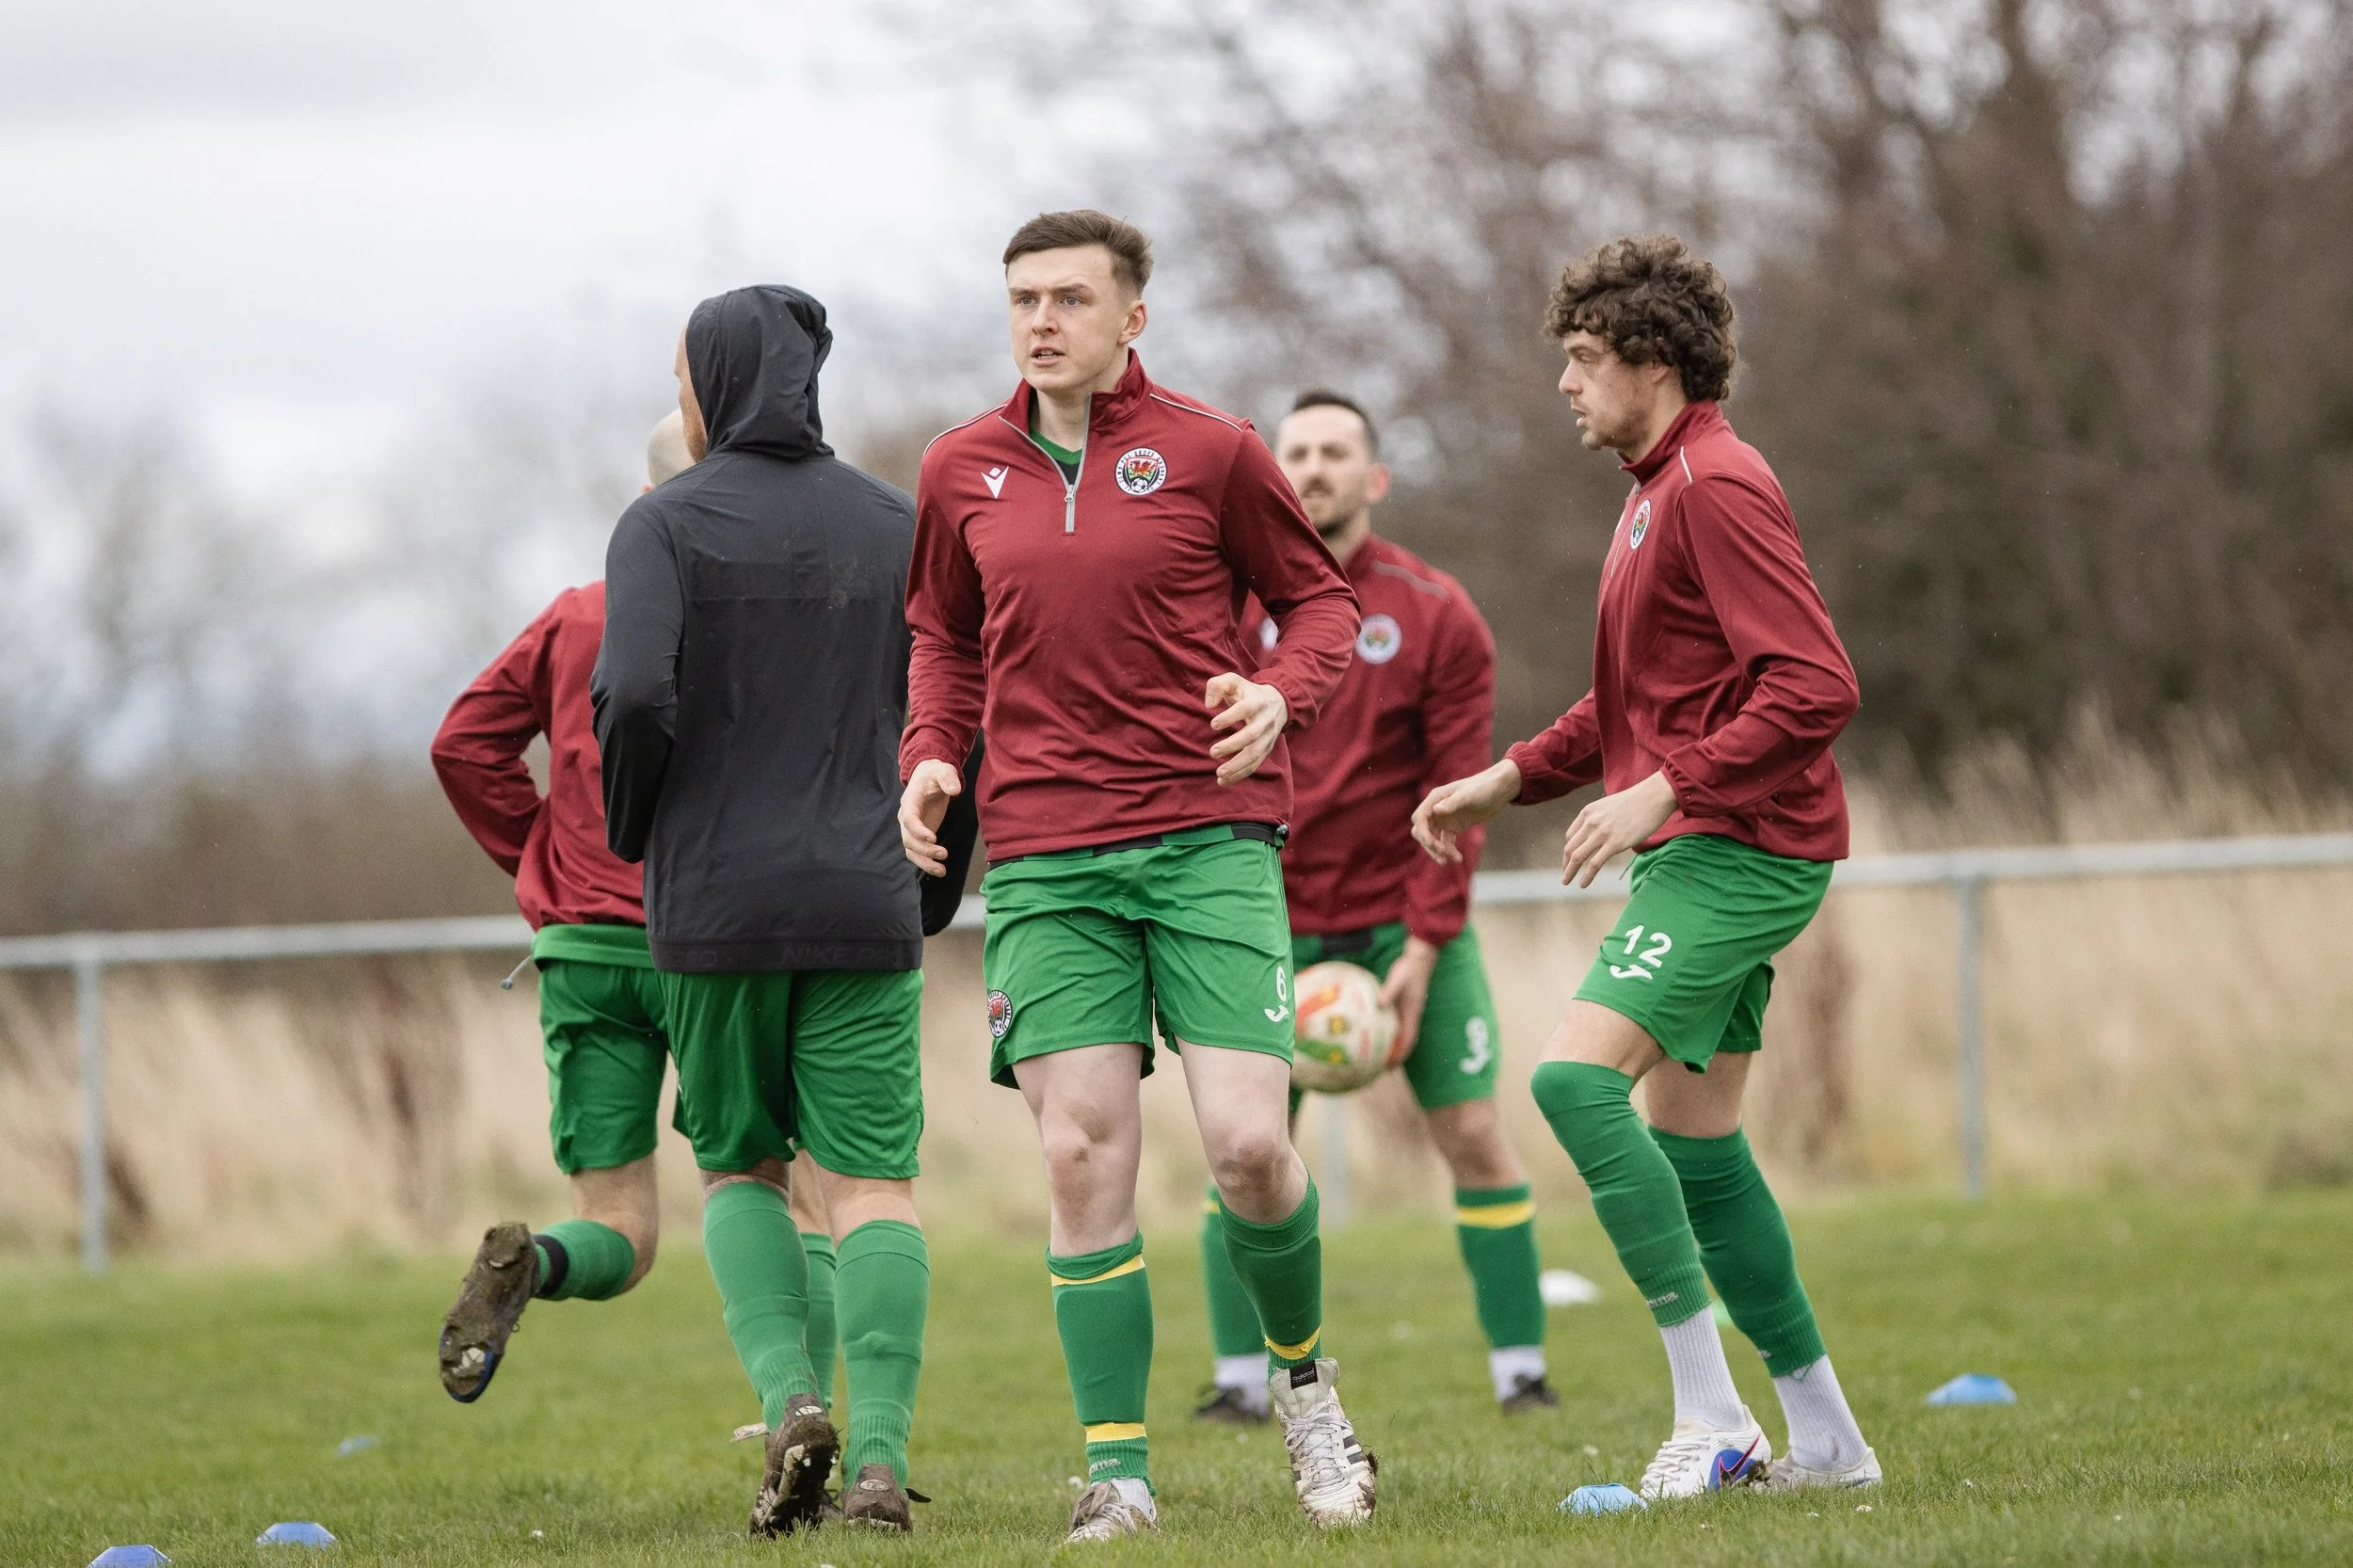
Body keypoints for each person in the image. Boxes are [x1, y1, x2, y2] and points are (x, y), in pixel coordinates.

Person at [898, 211, 1373, 1542]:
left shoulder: (1215, 451)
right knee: (1076, 1147)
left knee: (1249, 1147)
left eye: (1069, 297)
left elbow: (1322, 604)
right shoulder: (959, 469)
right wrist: (933, 752)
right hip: (1047, 851)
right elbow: (943, 637)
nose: (1041, 320)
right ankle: (1118, 1471)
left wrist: (1282, 694)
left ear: (1131, 318)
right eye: (1021, 300)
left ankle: (1308, 1391)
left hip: (1209, 834)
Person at [1413, 235, 1880, 1499]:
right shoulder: (1652, 487)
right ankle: (1829, 1440)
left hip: (1738, 848)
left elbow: (1817, 684)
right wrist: (1508, 779)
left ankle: (1711, 1413)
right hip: (1722, 840)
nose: (1564, 382)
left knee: (1570, 1082)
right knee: (1697, 1145)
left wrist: (1669, 789)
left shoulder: (1716, 482)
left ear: (1651, 361)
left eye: (1580, 358)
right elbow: (1641, 698)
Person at [595, 286, 933, 1535]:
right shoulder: (899, 521)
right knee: (874, 1186)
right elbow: (958, 710)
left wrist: (644, 828)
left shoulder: (663, 523)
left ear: (713, 380)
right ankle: (885, 1464)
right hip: (866, 889)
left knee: (740, 1163)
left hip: (716, 900)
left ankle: (793, 1399)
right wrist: (931, 877)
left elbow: (632, 693)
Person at [1190, 390, 1555, 1426]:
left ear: (1373, 477)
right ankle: (1236, 1383)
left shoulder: (1436, 610)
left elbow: (1459, 794)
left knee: (1476, 1129)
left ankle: (1520, 1370)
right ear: (1273, 473)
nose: (1310, 466)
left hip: (1404, 920)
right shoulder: (1224, 607)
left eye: (1334, 451)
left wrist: (1430, 942)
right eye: (1293, 450)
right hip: (1263, 917)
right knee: (1242, 1146)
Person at [428, 409, 699, 1400]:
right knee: (788, 1199)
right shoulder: (771, 615)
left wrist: (538, 855)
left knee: (621, 1226)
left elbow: (462, 744)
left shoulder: (577, 615)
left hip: (586, 948)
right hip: (718, 944)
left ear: (641, 502)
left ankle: (534, 1261)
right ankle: (796, 1408)